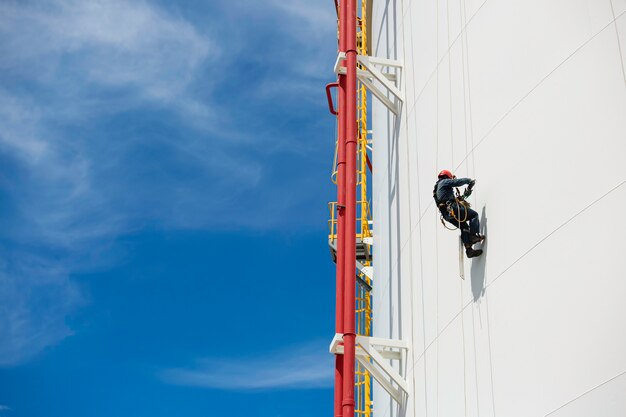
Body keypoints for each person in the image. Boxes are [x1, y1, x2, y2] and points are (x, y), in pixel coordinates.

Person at [433, 169, 484, 258]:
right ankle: (473, 235)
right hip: (452, 209)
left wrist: (465, 195)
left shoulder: (438, 190)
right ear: (447, 177)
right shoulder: (444, 182)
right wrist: (469, 181)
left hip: (447, 215)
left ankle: (469, 250)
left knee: (464, 226)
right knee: (473, 215)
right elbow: (458, 182)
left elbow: (455, 200)